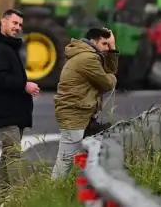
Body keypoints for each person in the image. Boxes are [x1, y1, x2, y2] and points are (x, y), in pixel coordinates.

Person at [0, 9, 39, 196]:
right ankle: (18, 195)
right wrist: (24, 85)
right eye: (14, 23)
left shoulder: (9, 47)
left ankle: (3, 194)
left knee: (9, 154)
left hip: (15, 111)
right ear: (3, 22)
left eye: (20, 25)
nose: (17, 28)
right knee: (14, 154)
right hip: (5, 112)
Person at [51, 27, 119, 179]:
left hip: (78, 112)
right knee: (65, 160)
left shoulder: (88, 54)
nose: (106, 49)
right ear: (94, 41)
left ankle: (62, 192)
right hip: (74, 113)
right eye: (104, 44)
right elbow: (107, 82)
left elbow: (109, 70)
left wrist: (113, 48)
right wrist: (113, 79)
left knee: (73, 158)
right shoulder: (88, 59)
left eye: (108, 45)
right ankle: (51, 195)